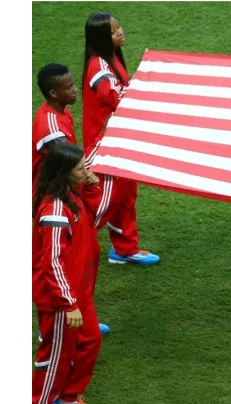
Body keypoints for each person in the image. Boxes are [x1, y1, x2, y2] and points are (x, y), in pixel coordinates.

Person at [33, 63, 111, 337]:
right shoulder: (51, 126)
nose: (76, 90)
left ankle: (82, 313)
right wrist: (89, 172)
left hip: (68, 194)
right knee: (55, 261)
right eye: (69, 87)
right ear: (54, 92)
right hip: (55, 199)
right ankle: (53, 327)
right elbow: (67, 162)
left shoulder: (60, 113)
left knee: (89, 254)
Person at [82, 11, 160, 265]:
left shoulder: (111, 58)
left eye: (119, 27)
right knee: (105, 200)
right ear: (102, 38)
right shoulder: (98, 66)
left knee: (126, 195)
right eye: (114, 31)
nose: (120, 32)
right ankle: (66, 243)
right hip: (103, 146)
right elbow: (118, 99)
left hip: (118, 141)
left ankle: (124, 249)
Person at [32, 142, 104, 404]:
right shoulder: (54, 211)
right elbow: (51, 261)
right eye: (79, 167)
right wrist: (69, 303)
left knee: (90, 340)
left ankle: (68, 398)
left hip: (78, 291)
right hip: (62, 298)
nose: (85, 169)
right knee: (55, 354)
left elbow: (96, 217)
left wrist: (93, 186)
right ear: (64, 173)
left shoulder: (71, 196)